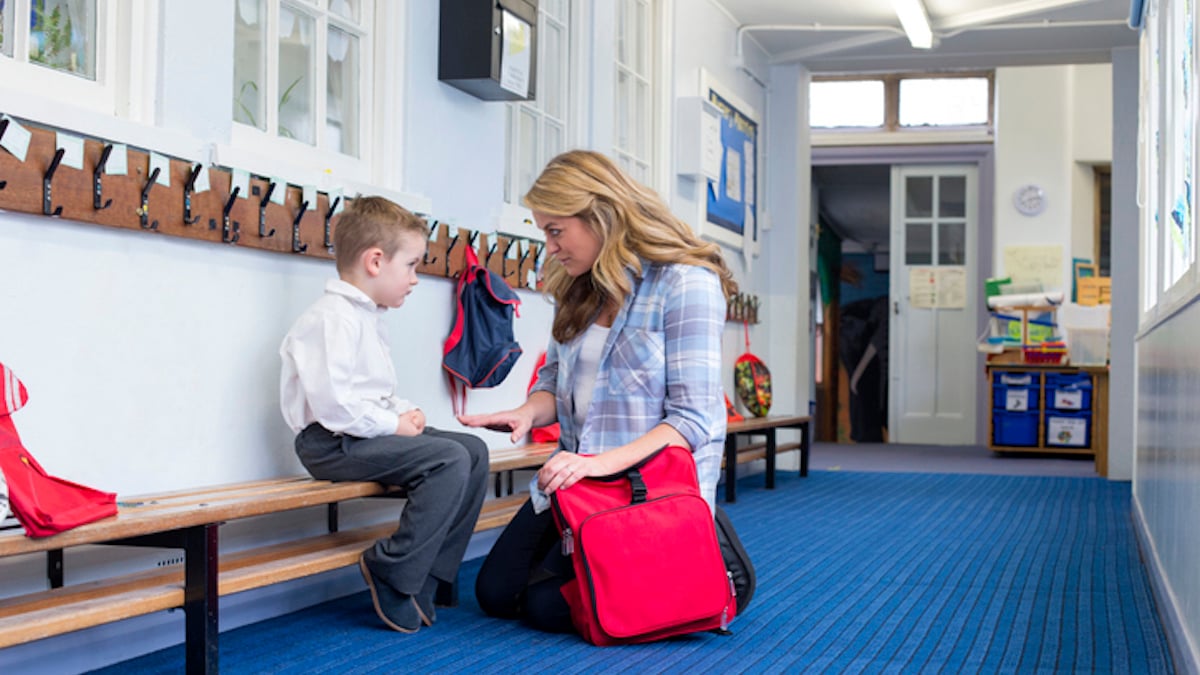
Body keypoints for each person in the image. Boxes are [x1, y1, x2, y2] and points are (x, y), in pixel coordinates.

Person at [458, 150, 738, 633]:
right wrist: (528, 413)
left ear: (599, 215)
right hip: (579, 481)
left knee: (549, 608)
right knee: (497, 594)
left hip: (644, 489)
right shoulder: (576, 285)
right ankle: (656, 571)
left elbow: (693, 421)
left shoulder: (687, 283)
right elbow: (553, 384)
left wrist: (599, 464)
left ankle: (711, 557)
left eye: (555, 230)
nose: (550, 247)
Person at [279, 196, 488, 634]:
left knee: (471, 450)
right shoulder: (331, 319)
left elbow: (373, 392)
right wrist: (393, 425)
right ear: (375, 261)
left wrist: (402, 411)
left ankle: (429, 573)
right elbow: (336, 407)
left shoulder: (368, 316)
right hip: (329, 443)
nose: (415, 279)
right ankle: (392, 568)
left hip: (359, 432)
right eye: (411, 265)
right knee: (448, 459)